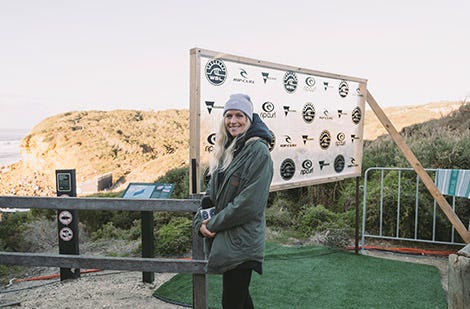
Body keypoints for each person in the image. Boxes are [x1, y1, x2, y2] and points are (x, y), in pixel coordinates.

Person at [193, 93, 273, 309]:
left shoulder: (258, 151)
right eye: (229, 115)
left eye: (239, 115)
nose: (233, 120)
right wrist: (202, 219)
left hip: (243, 240)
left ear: (248, 117)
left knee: (232, 301)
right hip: (228, 238)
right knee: (240, 300)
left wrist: (212, 224)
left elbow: (249, 204)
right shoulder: (228, 147)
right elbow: (211, 193)